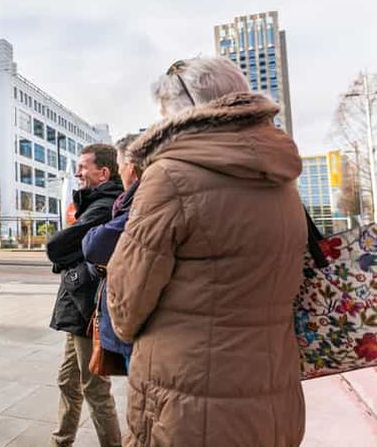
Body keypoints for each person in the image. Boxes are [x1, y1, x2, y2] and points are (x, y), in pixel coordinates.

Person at [107, 57, 306, 446]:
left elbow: (127, 302)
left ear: (179, 110)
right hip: (272, 387)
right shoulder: (282, 179)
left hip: (187, 397)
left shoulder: (169, 176)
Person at [46, 143, 124, 447]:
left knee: (94, 388)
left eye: (83, 167)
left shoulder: (103, 206)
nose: (78, 173)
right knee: (68, 381)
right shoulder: (95, 202)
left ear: (103, 172)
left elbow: (58, 246)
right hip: (77, 307)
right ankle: (61, 441)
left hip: (86, 307)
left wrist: (63, 258)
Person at [81, 134, 141, 372]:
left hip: (135, 326)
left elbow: (92, 246)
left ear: (131, 168)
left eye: (120, 166)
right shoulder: (125, 203)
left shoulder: (140, 205)